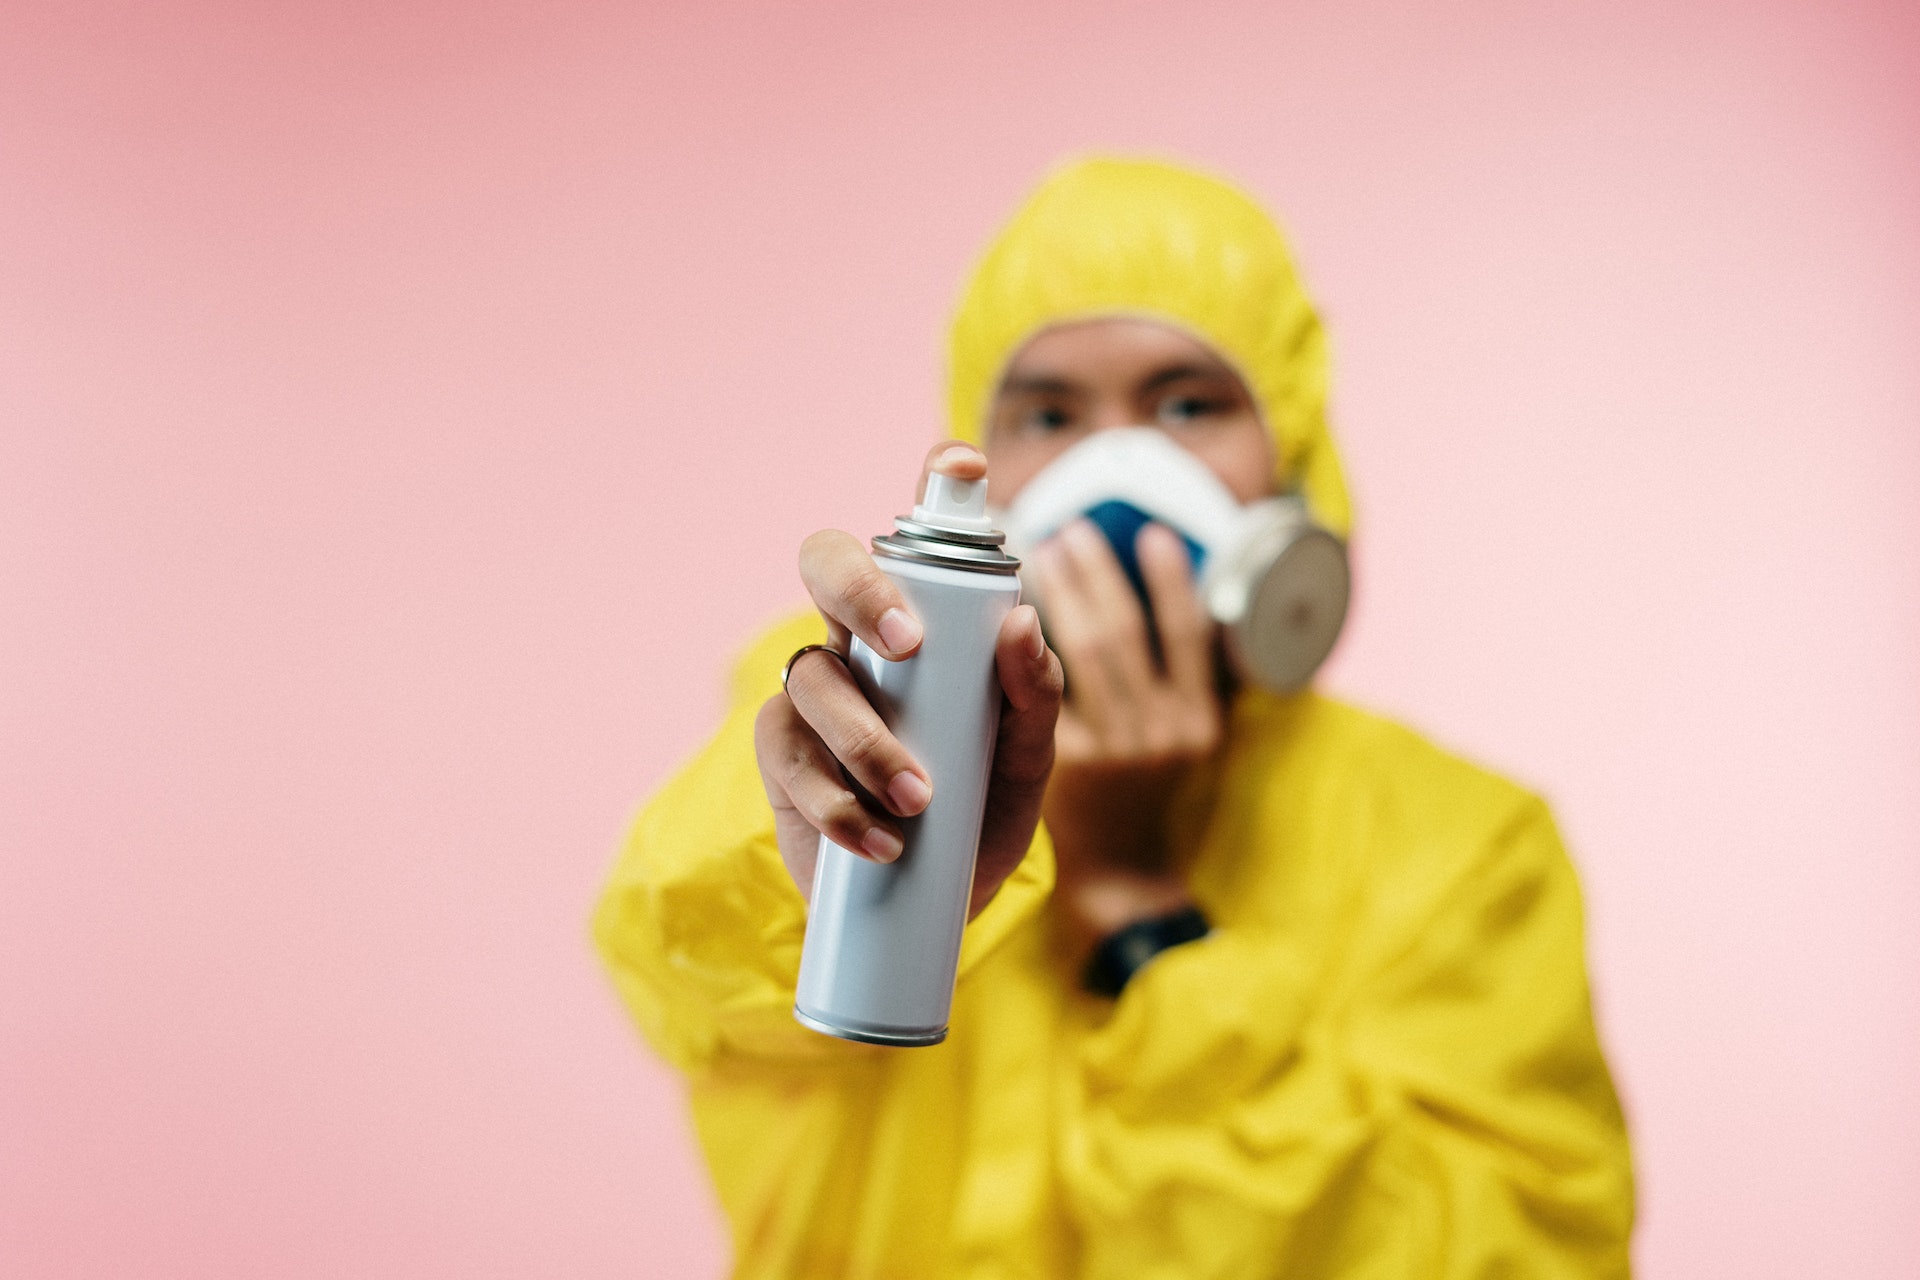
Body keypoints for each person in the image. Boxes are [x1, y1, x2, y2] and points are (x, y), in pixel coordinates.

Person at [594, 157, 1635, 1278]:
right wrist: (843, 858)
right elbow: (678, 974)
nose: (1120, 469)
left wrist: (1139, 907)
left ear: (1290, 459)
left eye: (1189, 404)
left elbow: (1519, 1252)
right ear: (984, 474)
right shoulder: (840, 709)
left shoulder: (1462, 844)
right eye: (1049, 413)